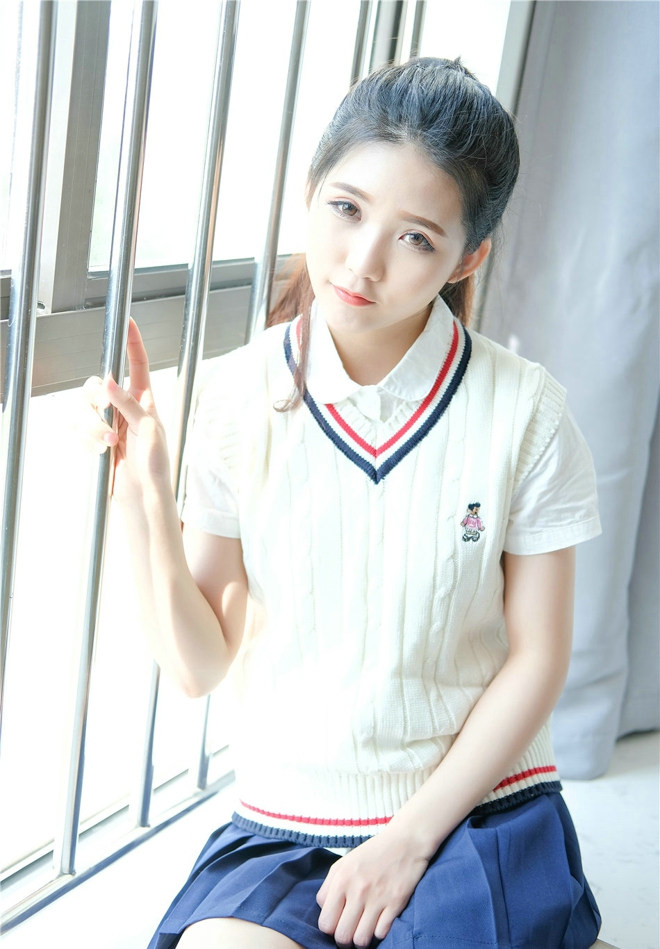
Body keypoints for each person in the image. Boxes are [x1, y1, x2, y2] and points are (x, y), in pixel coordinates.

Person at [81, 58, 603, 949]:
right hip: (289, 819)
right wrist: (143, 495)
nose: (362, 262)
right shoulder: (237, 398)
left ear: (467, 256)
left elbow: (538, 657)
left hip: (476, 807)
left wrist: (407, 840)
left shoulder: (527, 412)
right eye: (347, 208)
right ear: (311, 192)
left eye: (416, 238)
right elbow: (200, 663)